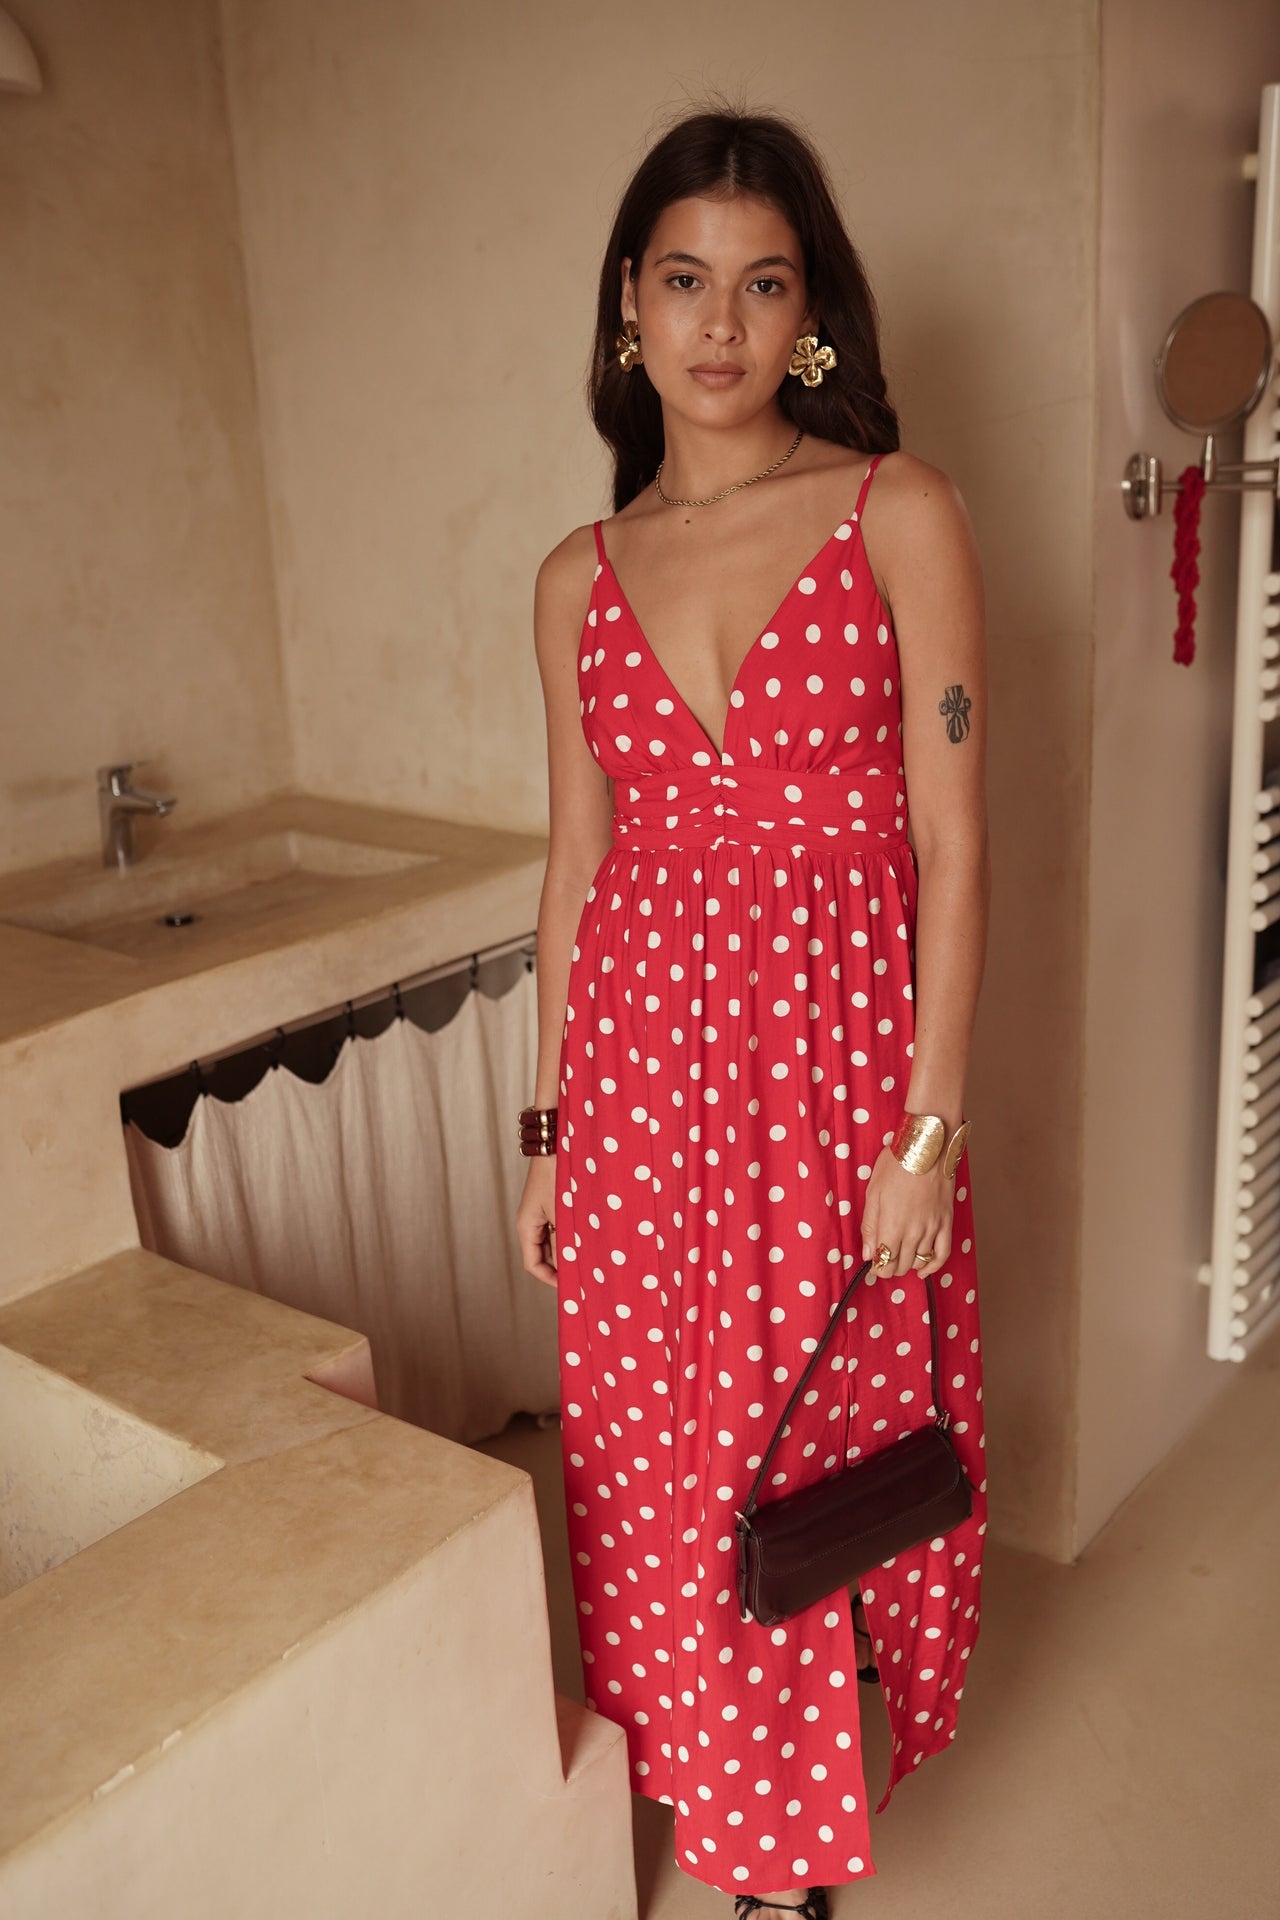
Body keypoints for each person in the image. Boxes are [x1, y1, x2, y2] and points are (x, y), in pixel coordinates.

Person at [516, 104, 990, 1918]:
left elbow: (956, 844)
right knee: (663, 1465)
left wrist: (928, 1127)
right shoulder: (575, 575)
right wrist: (548, 1136)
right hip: (639, 1086)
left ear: (809, 317)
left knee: (797, 1455)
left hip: (837, 1082)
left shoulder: (897, 509)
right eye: (683, 280)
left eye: (763, 284)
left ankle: (783, 1841)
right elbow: (574, 872)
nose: (719, 323)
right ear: (628, 309)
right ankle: (757, 1846)